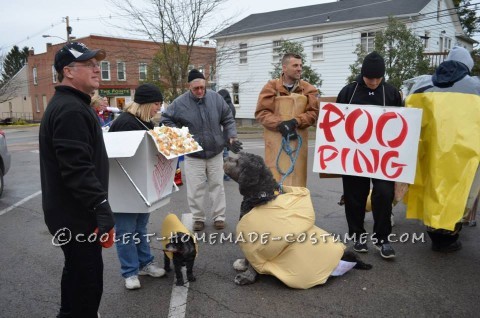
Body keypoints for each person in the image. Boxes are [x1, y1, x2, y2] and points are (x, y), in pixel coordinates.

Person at [39, 42, 115, 318]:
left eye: (97, 63)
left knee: (77, 279)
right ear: (68, 71)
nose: (97, 68)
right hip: (77, 218)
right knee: (87, 286)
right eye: (90, 64)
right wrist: (101, 209)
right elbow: (76, 169)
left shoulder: (73, 105)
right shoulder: (70, 109)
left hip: (73, 215)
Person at [406, 46, 480, 252]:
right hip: (463, 154)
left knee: (432, 191)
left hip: (430, 151)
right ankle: (449, 236)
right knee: (458, 194)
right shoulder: (476, 86)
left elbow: (407, 118)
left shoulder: (423, 84)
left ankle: (435, 233)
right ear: (468, 66)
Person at [336, 51, 402, 259]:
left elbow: (402, 125)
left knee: (383, 193)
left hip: (383, 156)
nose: (373, 82)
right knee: (354, 195)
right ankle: (357, 236)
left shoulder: (392, 93)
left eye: (378, 78)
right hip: (354, 155)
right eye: (369, 78)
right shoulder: (348, 91)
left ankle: (382, 239)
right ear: (362, 74)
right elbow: (336, 123)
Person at [160, 69, 242, 231]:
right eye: (195, 88)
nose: (199, 91)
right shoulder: (179, 103)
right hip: (193, 154)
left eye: (202, 88)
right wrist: (181, 136)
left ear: (205, 85)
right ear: (189, 87)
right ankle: (198, 218)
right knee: (195, 189)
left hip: (215, 152)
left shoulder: (216, 98)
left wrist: (231, 136)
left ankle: (219, 216)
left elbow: (227, 118)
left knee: (217, 186)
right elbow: (165, 119)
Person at [108, 83, 166, 289]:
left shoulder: (146, 122)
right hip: (124, 188)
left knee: (140, 228)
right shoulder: (125, 123)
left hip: (142, 185)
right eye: (156, 103)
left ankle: (145, 263)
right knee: (125, 231)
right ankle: (130, 272)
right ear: (147, 103)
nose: (159, 108)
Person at [255, 53, 319, 187]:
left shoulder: (308, 89)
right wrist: (280, 124)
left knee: (297, 183)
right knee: (274, 182)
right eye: (295, 65)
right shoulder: (271, 87)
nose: (299, 68)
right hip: (275, 145)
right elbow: (261, 113)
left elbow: (313, 113)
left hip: (298, 146)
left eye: (301, 65)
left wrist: (296, 121)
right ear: (284, 68)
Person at [218, 88, 236, 181]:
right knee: (225, 155)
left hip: (224, 135)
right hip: (227, 134)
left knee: (224, 155)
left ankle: (226, 174)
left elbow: (226, 122)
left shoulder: (226, 107)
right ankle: (226, 174)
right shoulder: (231, 106)